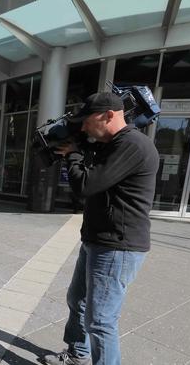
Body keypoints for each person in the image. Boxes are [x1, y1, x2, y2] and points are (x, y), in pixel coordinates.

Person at [42, 92, 159, 365]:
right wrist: (78, 148)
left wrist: (72, 154)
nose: (82, 128)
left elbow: (86, 186)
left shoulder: (132, 145)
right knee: (77, 300)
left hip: (117, 246)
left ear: (109, 116)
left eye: (86, 121)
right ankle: (78, 353)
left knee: (101, 320)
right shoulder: (111, 143)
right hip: (98, 240)